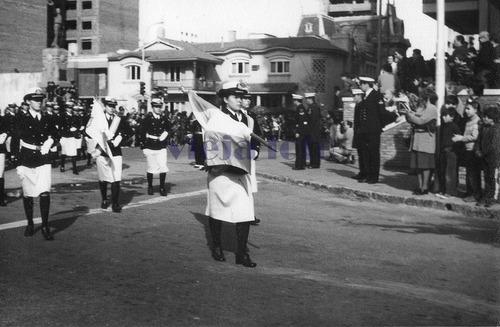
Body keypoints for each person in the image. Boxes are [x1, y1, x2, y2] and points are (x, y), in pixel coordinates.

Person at [205, 81, 259, 267]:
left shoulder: (247, 119)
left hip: (240, 171)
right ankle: (217, 247)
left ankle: (242, 254)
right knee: (217, 211)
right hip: (221, 172)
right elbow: (208, 142)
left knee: (244, 213)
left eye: (241, 97)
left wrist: (255, 152)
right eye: (235, 97)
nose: (240, 100)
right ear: (226, 99)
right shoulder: (217, 118)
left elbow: (255, 140)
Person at [17, 87, 60, 240]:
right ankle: (29, 223)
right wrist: (18, 163)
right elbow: (16, 141)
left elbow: (56, 134)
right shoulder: (21, 118)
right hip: (27, 158)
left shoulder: (48, 117)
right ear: (28, 101)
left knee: (45, 192)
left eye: (40, 99)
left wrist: (51, 141)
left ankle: (45, 225)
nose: (38, 102)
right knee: (28, 194)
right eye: (35, 100)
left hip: (44, 159)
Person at [354, 77, 398, 184]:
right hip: (365, 130)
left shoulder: (376, 95)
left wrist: (394, 117)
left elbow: (382, 113)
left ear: (367, 84)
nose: (360, 86)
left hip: (373, 130)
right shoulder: (366, 97)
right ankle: (368, 175)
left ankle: (374, 177)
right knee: (366, 153)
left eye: (362, 84)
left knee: (373, 153)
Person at [94, 97, 133, 213]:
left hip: (116, 151)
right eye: (109, 106)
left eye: (113, 106)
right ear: (105, 106)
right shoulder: (99, 119)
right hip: (103, 152)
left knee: (116, 178)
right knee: (103, 178)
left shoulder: (118, 119)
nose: (112, 108)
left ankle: (115, 203)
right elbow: (92, 132)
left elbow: (130, 132)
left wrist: (120, 137)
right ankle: (105, 199)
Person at [401, 88, 438, 195]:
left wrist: (411, 115)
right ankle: (420, 185)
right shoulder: (421, 108)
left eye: (422, 96)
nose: (420, 98)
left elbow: (421, 121)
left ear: (426, 97)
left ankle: (425, 187)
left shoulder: (432, 108)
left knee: (425, 165)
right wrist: (408, 113)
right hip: (418, 140)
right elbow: (415, 118)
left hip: (426, 140)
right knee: (418, 166)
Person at [452, 100, 482, 202]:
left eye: (469, 109)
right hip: (467, 150)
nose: (466, 111)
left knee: (473, 173)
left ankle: (476, 194)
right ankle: (470, 192)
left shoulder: (478, 121)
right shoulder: (468, 121)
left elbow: (474, 136)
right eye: (466, 108)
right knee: (469, 173)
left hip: (473, 151)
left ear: (476, 110)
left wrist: (461, 138)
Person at [140, 98, 170, 196]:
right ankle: (150, 186)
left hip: (161, 145)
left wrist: (166, 133)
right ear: (152, 107)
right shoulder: (148, 118)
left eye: (159, 107)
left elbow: (169, 128)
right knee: (151, 167)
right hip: (150, 144)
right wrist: (143, 146)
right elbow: (141, 132)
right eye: (156, 107)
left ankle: (162, 187)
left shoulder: (163, 118)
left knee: (163, 166)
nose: (158, 109)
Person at [476, 106, 500, 207]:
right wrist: (477, 150)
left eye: (486, 117)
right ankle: (486, 196)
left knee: (493, 178)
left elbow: (493, 145)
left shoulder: (496, 129)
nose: (484, 118)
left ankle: (493, 197)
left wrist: (483, 152)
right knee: (486, 177)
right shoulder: (483, 128)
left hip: (494, 158)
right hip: (485, 158)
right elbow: (479, 140)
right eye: (484, 116)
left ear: (492, 118)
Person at [437, 107, 461, 197]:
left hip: (451, 152)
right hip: (444, 151)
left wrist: (452, 148)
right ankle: (443, 189)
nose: (443, 118)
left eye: (445, 116)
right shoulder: (444, 126)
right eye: (442, 116)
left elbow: (458, 140)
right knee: (443, 171)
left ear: (452, 117)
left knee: (450, 173)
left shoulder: (454, 127)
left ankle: (450, 191)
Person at [59, 101, 81, 174]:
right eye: (69, 108)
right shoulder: (62, 116)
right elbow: (60, 126)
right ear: (66, 108)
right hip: (65, 136)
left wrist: (76, 128)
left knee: (73, 153)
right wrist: (67, 130)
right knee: (64, 152)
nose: (70, 109)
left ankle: (74, 168)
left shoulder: (75, 116)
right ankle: (62, 165)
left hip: (72, 136)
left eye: (71, 108)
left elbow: (78, 125)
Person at [304, 93, 322, 169]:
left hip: (314, 131)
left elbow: (312, 120)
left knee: (314, 148)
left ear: (310, 99)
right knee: (312, 148)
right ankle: (313, 162)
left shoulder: (314, 108)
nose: (306, 100)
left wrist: (308, 129)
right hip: (313, 131)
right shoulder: (312, 107)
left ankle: (315, 163)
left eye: (307, 99)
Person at [292, 94, 310, 170]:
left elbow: (302, 122)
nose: (293, 101)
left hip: (300, 132)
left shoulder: (300, 109)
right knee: (301, 148)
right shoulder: (301, 108)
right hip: (303, 131)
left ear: (296, 100)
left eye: (294, 100)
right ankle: (301, 164)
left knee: (299, 148)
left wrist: (298, 132)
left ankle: (300, 165)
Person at [0, 111, 11, 206]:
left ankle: (1, 198)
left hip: (0, 150)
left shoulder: (2, 119)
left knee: (0, 174)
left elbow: (6, 132)